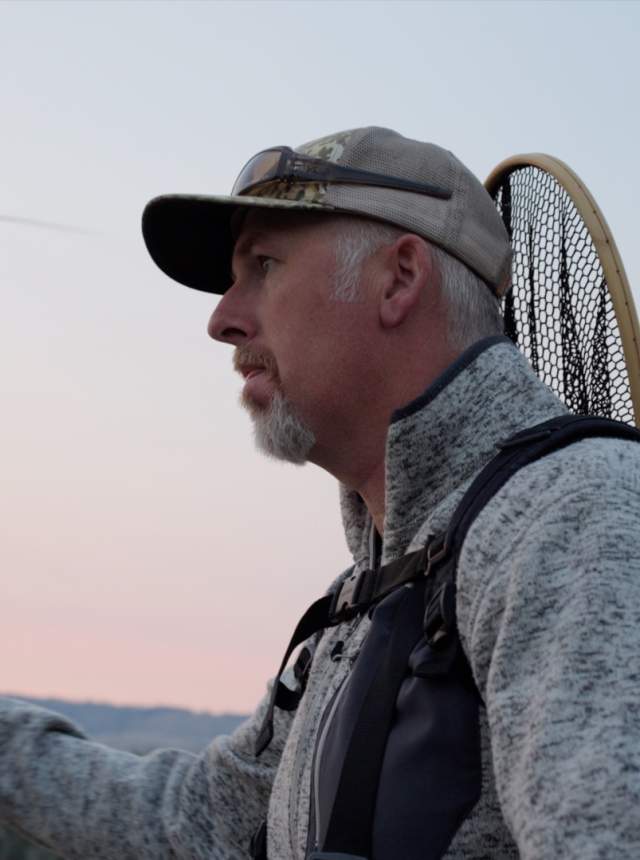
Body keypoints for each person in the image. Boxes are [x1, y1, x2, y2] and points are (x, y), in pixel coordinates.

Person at [1, 126, 639, 859]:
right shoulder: (371, 597)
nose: (222, 319)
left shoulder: (577, 517)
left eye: (263, 265)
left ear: (399, 279)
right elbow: (197, 824)